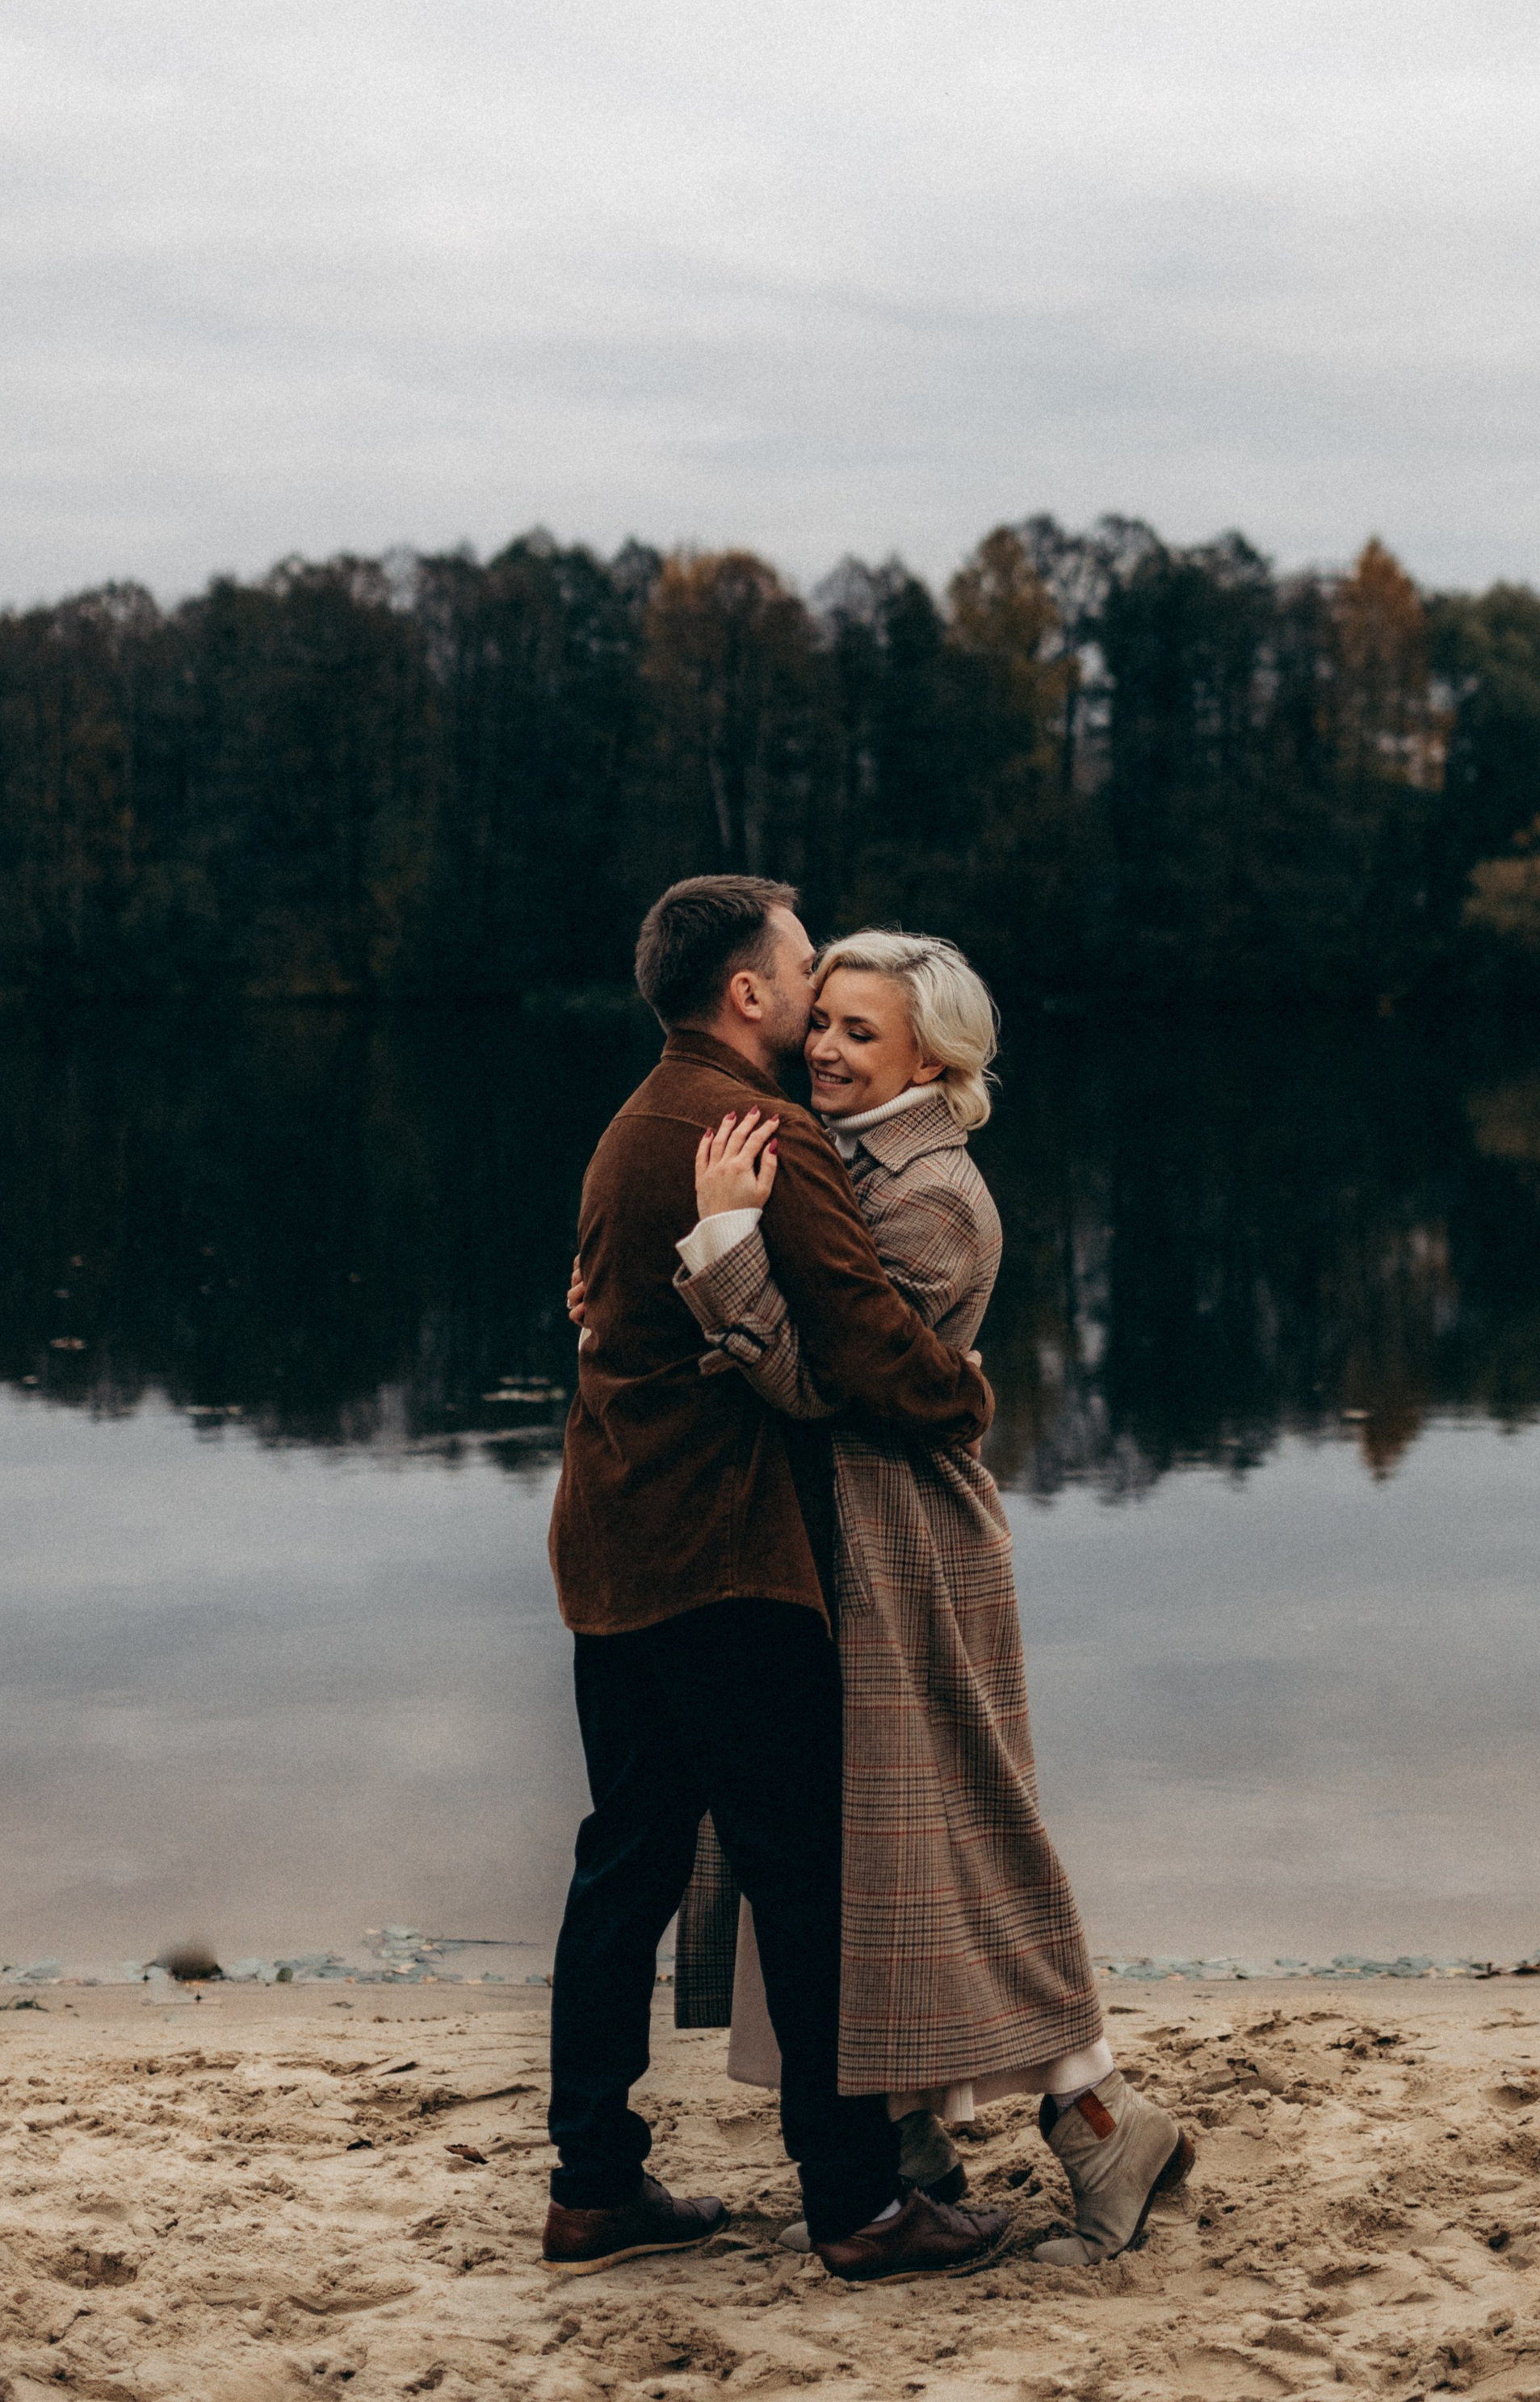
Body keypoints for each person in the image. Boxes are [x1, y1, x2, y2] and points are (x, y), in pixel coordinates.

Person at [599, 927, 1195, 2270]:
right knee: (869, 1850)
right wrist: (641, 1288)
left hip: (909, 1544)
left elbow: (824, 1378)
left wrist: (726, 1244)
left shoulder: (934, 1194)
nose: (823, 1047)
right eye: (823, 1022)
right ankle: (908, 2135)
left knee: (959, 1834)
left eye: (858, 1033)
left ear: (932, 1054)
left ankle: (1101, 2115)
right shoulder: (841, 1156)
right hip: (830, 1538)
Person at [543, 875, 1013, 2284]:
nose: (817, 993)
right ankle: (860, 2203)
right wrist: (971, 1395)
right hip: (729, 1560)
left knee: (622, 1862)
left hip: (609, 1540)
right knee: (809, 1877)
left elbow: (599, 1298)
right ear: (748, 990)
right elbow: (869, 1346)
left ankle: (592, 2183)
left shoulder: (636, 1122)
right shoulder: (766, 1135)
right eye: (804, 966)